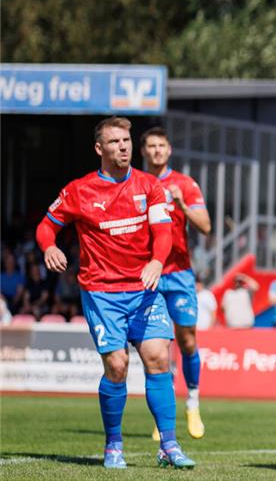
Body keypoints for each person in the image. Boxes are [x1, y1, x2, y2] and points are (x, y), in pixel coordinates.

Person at [34, 116, 195, 469]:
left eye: (126, 141)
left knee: (159, 358)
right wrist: (49, 247)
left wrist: (157, 261)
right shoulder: (79, 190)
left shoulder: (149, 186)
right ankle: (113, 445)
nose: (123, 147)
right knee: (118, 366)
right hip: (102, 292)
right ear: (99, 148)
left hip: (143, 289)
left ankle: (169, 445)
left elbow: (163, 232)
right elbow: (46, 227)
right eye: (114, 142)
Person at [140, 126, 212, 439]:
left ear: (169, 150)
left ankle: (192, 402)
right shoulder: (135, 184)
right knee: (157, 346)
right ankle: (163, 414)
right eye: (151, 146)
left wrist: (182, 205)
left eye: (162, 145)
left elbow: (206, 226)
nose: (157, 150)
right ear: (144, 151)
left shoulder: (184, 184)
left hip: (180, 273)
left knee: (187, 341)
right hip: (149, 274)